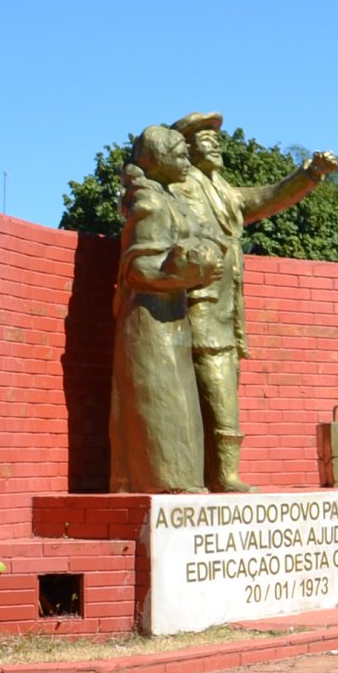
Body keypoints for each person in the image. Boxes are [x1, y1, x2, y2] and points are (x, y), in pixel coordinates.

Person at [170, 114, 338, 491]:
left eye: (216, 140)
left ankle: (216, 474)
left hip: (226, 312)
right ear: (187, 150)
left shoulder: (222, 190)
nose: (215, 145)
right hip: (199, 308)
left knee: (222, 389)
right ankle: (222, 476)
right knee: (216, 393)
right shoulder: (181, 186)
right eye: (205, 140)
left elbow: (266, 197)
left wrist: (310, 174)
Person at [108, 126, 221, 492]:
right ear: (156, 160)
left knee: (183, 410)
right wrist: (186, 274)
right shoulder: (152, 204)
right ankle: (163, 482)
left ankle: (181, 482)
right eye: (179, 154)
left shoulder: (170, 199)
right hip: (149, 324)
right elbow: (138, 270)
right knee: (163, 408)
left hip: (173, 318)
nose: (187, 160)